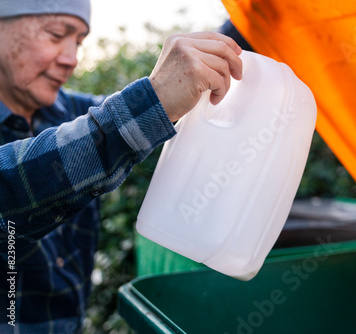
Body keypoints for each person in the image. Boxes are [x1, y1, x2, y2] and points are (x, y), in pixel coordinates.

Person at [0, 1, 242, 332]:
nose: (71, 58)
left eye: (79, 42)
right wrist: (152, 99)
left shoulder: (68, 111)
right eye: (56, 35)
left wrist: (244, 30)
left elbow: (162, 103)